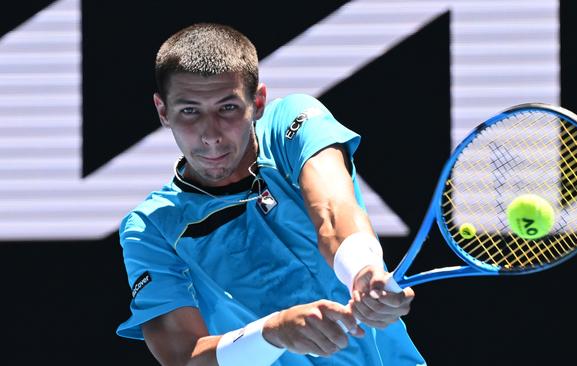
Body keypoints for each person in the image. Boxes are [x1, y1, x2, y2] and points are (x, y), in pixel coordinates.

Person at [116, 22, 426, 366]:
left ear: (258, 101)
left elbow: (333, 211)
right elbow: (183, 358)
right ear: (163, 111)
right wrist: (272, 332)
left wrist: (362, 269)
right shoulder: (151, 227)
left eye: (227, 108)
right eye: (190, 111)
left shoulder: (291, 124)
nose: (210, 135)